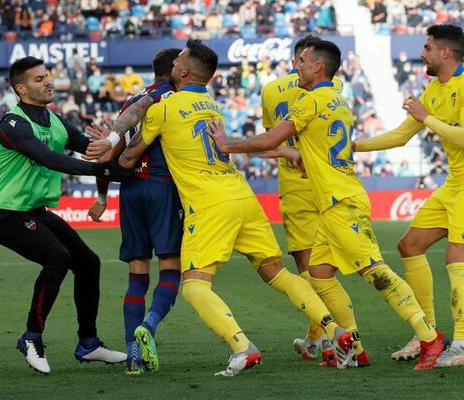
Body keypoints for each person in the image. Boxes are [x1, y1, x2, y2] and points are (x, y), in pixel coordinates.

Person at [117, 39, 356, 376]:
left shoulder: (163, 109)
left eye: (180, 58)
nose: (176, 61)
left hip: (210, 204)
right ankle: (336, 331)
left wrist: (105, 151)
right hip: (242, 196)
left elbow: (128, 156)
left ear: (183, 70)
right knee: (276, 271)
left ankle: (242, 347)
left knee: (195, 286)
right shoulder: (212, 106)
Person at [208, 39, 445, 371]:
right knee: (318, 275)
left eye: (302, 61)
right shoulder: (338, 99)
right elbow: (308, 151)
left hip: (340, 201)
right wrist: (292, 155)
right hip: (336, 200)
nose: (297, 66)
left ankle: (429, 337)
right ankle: (356, 348)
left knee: (374, 270)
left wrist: (228, 145)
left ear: (318, 66)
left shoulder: (308, 101)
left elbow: (272, 137)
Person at [354, 24, 464, 367]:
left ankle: (463, 344)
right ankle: (428, 333)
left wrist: (427, 117)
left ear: (445, 53)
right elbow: (402, 134)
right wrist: (354, 146)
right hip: (454, 184)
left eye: (427, 47)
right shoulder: (434, 88)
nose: (423, 53)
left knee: (456, 260)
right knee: (410, 245)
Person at [0, 56, 132, 375]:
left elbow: (89, 148)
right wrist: (101, 167)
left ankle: (88, 344)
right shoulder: (12, 123)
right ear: (21, 89)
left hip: (34, 211)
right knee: (57, 257)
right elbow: (49, 159)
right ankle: (31, 337)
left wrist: (111, 141)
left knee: (88, 263)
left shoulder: (56, 120)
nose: (48, 81)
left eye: (47, 75)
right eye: (39, 79)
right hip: (5, 214)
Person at [260, 34, 369, 367]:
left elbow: (268, 144)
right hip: (333, 184)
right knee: (325, 272)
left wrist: (291, 152)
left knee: (309, 272)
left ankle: (331, 341)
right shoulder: (332, 90)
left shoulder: (272, 90)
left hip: (297, 189)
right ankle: (319, 340)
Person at [86, 48, 184, 376]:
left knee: (137, 275)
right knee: (170, 269)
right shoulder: (170, 96)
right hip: (161, 186)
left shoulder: (131, 99)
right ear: (175, 68)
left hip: (129, 191)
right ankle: (149, 327)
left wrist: (101, 198)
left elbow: (106, 157)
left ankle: (132, 355)